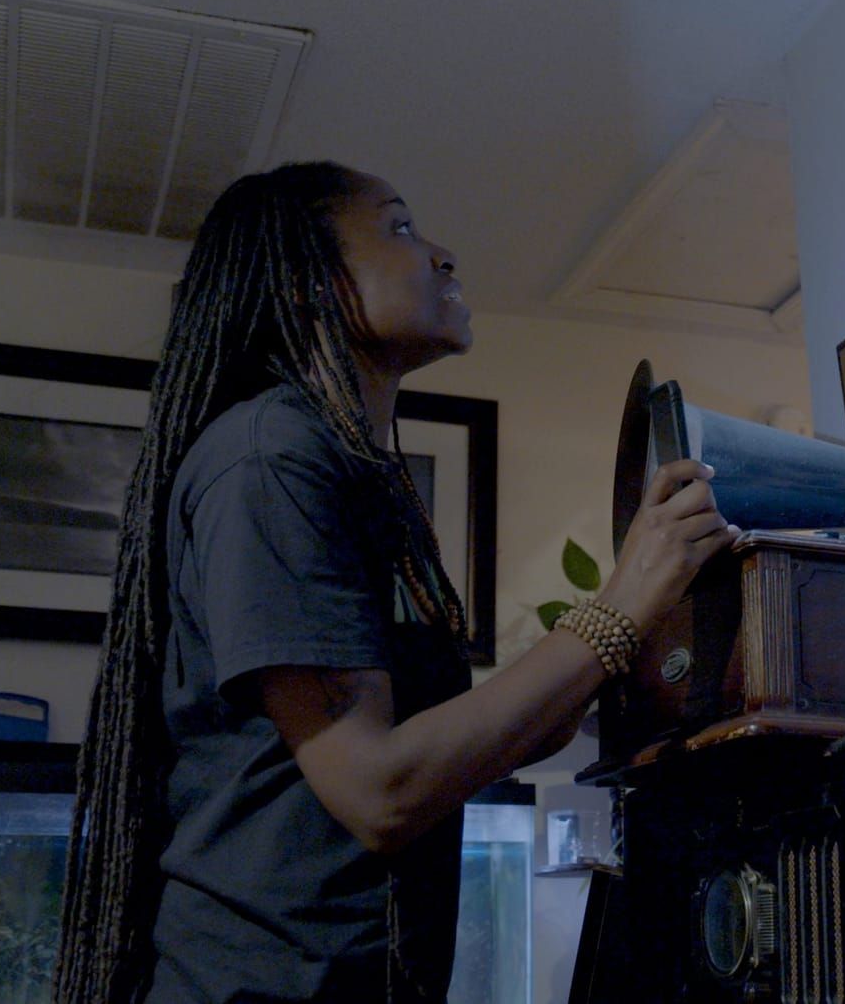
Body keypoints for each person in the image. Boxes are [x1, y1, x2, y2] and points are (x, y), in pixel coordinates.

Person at [52, 162, 737, 1004]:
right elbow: (379, 788)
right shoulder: (270, 455)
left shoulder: (349, 467)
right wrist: (616, 608)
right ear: (308, 280)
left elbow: (494, 743)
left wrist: (635, 634)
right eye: (401, 228)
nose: (444, 253)